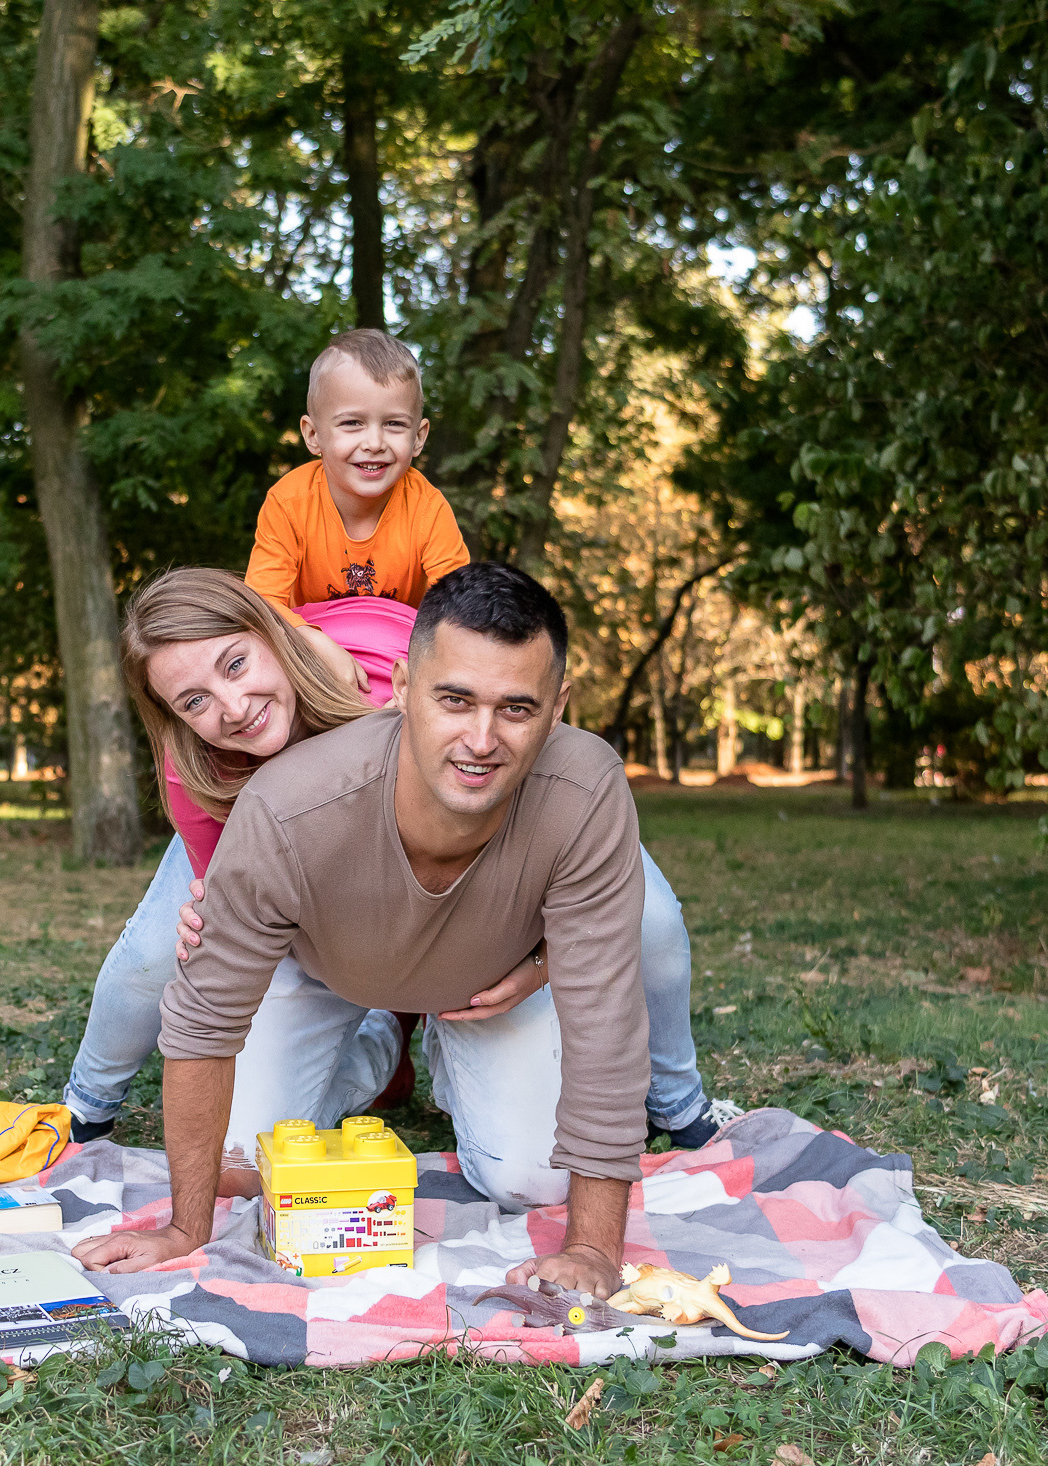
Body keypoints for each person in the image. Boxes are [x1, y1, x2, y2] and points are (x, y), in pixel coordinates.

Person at [76, 563, 659, 1298]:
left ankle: (454, 1049)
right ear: (406, 687)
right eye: (454, 701)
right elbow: (203, 1018)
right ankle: (378, 1041)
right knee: (235, 1161)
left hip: (483, 977)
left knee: (538, 1175)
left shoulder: (585, 788)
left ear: (558, 707)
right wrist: (185, 1228)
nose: (481, 738)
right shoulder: (278, 800)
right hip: (322, 952)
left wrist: (597, 1250)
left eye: (515, 708)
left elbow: (604, 1013)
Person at [245, 327, 469, 697]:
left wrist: (423, 673)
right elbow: (261, 599)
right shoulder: (289, 502)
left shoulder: (427, 507)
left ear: (418, 437)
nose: (375, 443)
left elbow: (459, 603)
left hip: (398, 660)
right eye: (352, 423)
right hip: (312, 656)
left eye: (394, 424)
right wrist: (313, 642)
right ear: (313, 434)